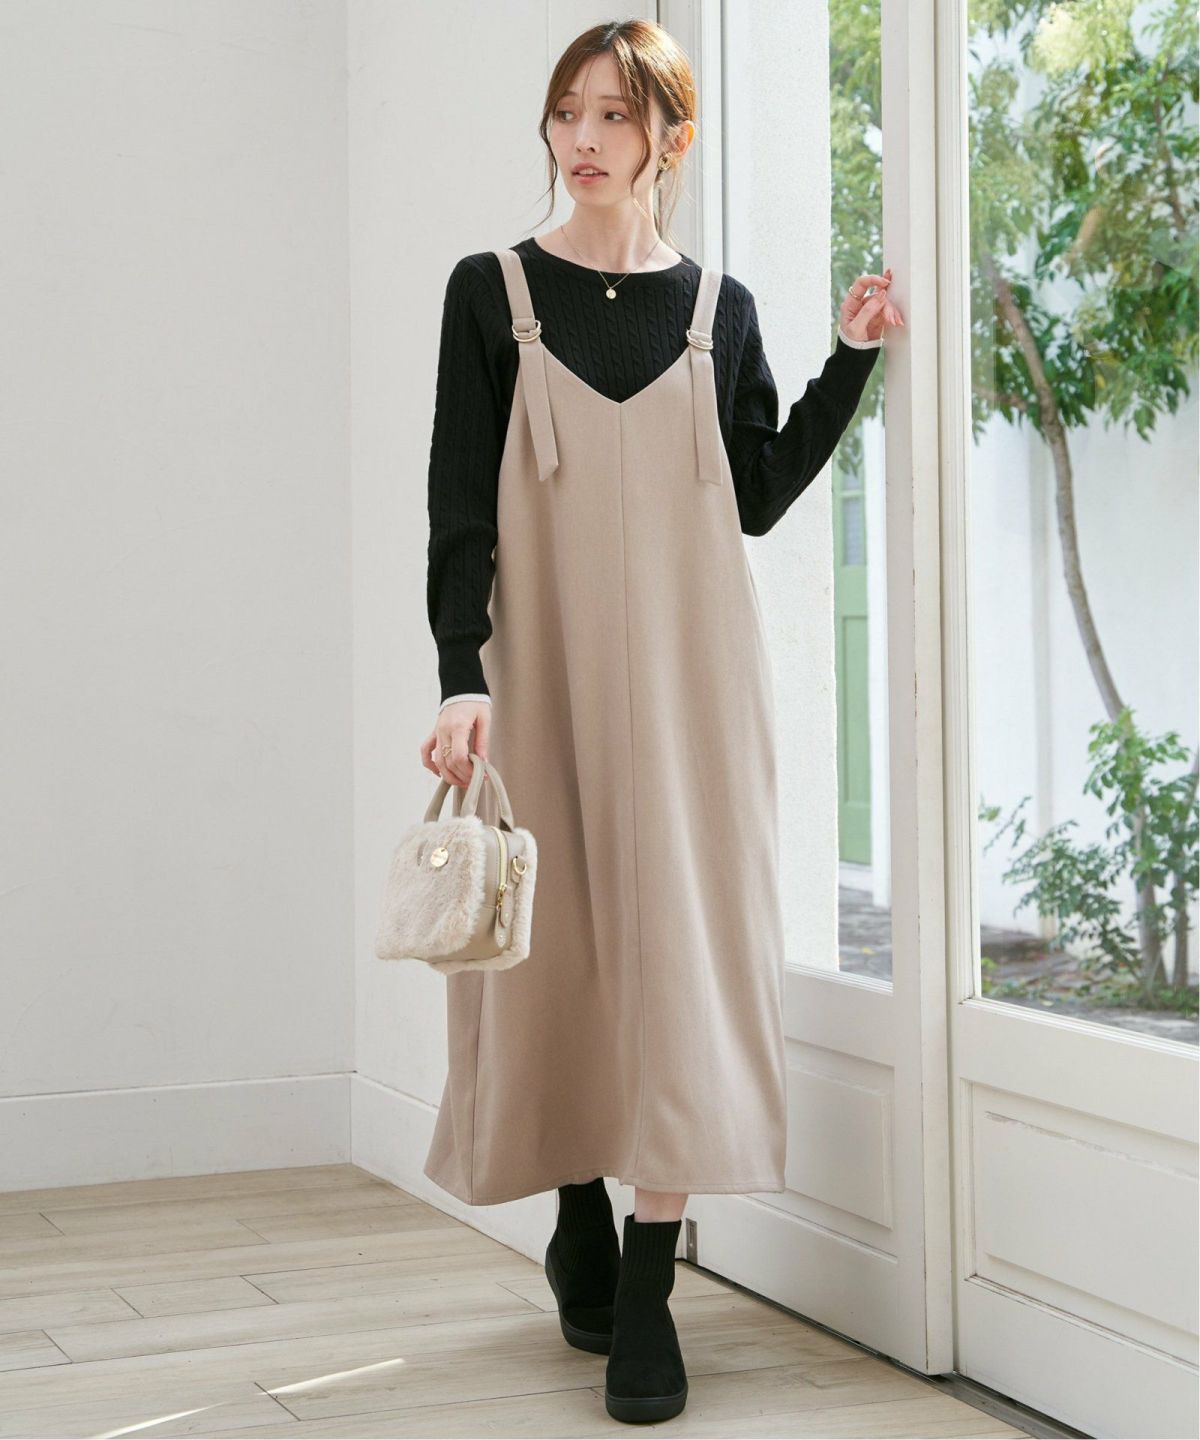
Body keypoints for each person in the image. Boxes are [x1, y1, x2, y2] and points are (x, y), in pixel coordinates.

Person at [418, 18, 904, 1425]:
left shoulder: (718, 311)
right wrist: (459, 673)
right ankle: (574, 1199)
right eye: (566, 111)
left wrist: (850, 360)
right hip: (538, 674)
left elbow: (756, 492)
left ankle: (646, 1282)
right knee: (552, 948)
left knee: (679, 958)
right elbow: (458, 499)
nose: (581, 139)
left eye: (614, 116)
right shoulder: (490, 293)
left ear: (668, 140)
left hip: (695, 687)